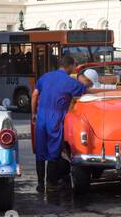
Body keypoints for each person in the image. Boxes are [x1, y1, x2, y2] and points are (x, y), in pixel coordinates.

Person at [31, 53, 93, 191]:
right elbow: (87, 88)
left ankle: (40, 184)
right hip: (56, 119)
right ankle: (51, 183)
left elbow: (35, 94)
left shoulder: (45, 76)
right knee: (54, 151)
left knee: (40, 152)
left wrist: (34, 113)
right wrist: (80, 75)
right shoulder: (70, 82)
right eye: (74, 66)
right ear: (70, 66)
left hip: (41, 119)